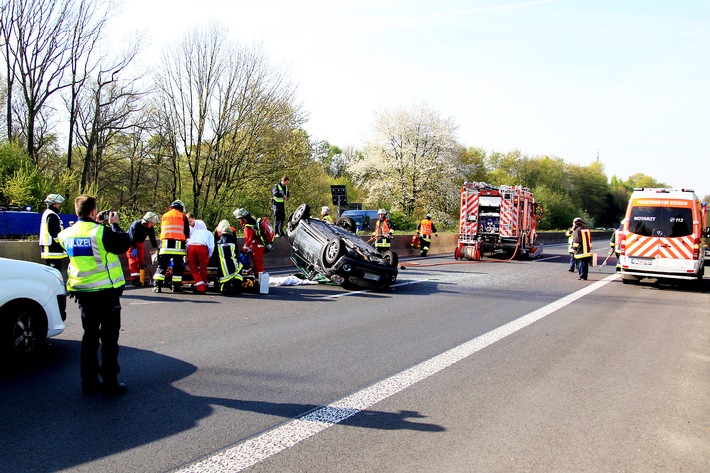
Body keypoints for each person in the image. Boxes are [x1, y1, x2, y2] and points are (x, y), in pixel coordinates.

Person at [57, 195, 131, 396]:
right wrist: (114, 225)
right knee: (109, 338)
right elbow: (123, 244)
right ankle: (110, 382)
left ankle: (88, 382)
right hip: (106, 292)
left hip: (83, 293)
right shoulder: (102, 232)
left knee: (89, 338)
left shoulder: (66, 234)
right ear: (93, 211)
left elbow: (85, 246)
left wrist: (96, 223)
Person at [153, 200, 189, 293]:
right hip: (178, 247)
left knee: (162, 266)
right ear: (180, 208)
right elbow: (186, 232)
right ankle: (176, 287)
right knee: (177, 267)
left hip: (165, 246)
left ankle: (157, 286)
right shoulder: (182, 216)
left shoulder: (164, 216)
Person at [126, 212, 159, 286]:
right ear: (146, 222)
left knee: (141, 261)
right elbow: (131, 237)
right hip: (131, 244)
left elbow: (152, 239)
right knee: (133, 261)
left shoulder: (150, 228)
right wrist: (134, 247)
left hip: (140, 243)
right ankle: (135, 279)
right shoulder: (136, 225)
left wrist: (155, 248)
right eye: (151, 223)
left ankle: (141, 278)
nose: (152, 225)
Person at [233, 208, 265, 281]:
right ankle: (258, 279)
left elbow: (248, 240)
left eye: (239, 219)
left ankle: (261, 281)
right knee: (258, 263)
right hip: (259, 245)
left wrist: (243, 250)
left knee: (258, 264)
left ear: (243, 219)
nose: (239, 221)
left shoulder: (248, 226)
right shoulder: (253, 222)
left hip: (257, 246)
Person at [39, 193, 68, 273]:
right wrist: (60, 242)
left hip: (51, 247)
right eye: (58, 204)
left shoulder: (49, 214)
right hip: (52, 249)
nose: (59, 205)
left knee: (53, 272)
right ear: (54, 204)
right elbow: (53, 232)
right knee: (54, 272)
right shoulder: (51, 215)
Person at [214, 219, 244, 294]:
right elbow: (235, 253)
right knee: (240, 267)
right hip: (233, 265)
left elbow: (215, 254)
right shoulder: (233, 243)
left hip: (222, 267)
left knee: (224, 276)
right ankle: (237, 285)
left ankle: (224, 287)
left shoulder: (218, 244)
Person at [187, 224, 215, 294]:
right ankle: (203, 285)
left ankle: (200, 284)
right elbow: (211, 247)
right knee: (203, 267)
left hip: (191, 247)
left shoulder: (195, 232)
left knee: (193, 268)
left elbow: (188, 243)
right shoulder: (209, 233)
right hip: (202, 247)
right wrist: (208, 256)